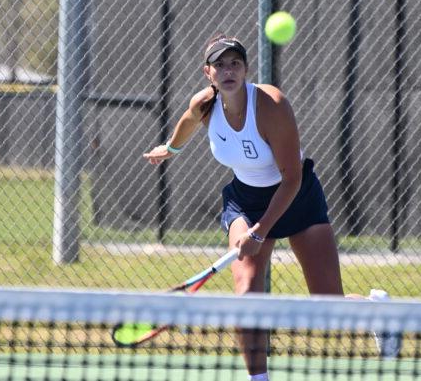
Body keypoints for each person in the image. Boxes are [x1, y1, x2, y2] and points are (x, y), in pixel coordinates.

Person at [143, 34, 344, 381]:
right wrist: (170, 149)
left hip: (296, 198)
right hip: (245, 202)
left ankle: (375, 311)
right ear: (208, 73)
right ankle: (258, 378)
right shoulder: (204, 105)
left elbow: (292, 178)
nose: (228, 70)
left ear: (246, 69)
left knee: (332, 309)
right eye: (219, 64)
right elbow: (188, 123)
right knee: (247, 289)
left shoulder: (271, 104)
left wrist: (262, 230)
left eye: (235, 63)